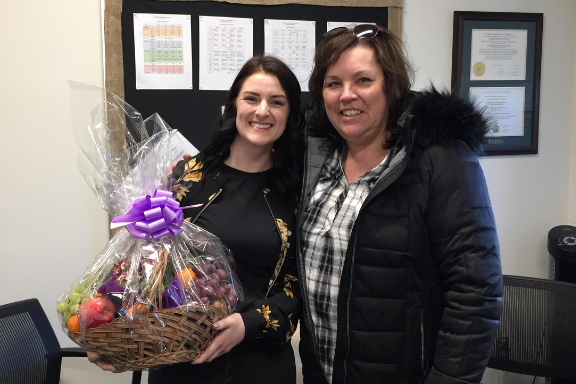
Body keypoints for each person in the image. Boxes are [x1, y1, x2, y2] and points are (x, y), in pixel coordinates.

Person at [296, 24, 503, 384]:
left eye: (363, 80)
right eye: (333, 83)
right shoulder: (318, 159)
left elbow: (476, 290)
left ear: (391, 86)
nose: (347, 95)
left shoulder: (441, 160)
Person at [89, 55, 304, 384]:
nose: (263, 110)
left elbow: (301, 285)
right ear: (233, 105)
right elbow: (143, 269)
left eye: (277, 102)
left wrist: (250, 324)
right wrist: (109, 324)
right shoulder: (185, 177)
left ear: (289, 114)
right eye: (251, 98)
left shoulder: (298, 190)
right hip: (181, 361)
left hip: (261, 364)